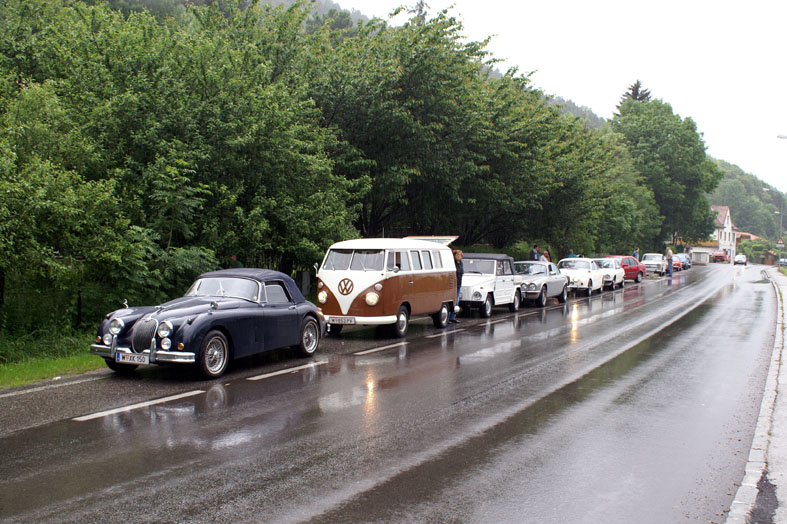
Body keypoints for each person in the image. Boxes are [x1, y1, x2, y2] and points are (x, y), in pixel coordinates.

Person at [448, 249, 463, 323]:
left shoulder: (461, 263)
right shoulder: (453, 263)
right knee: (452, 301)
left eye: (460, 255)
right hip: (453, 285)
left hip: (459, 285)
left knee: (457, 302)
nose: (458, 256)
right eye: (457, 255)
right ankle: (448, 317)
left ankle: (453, 317)